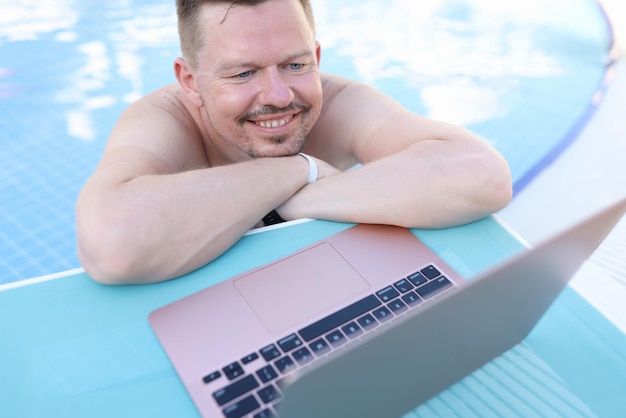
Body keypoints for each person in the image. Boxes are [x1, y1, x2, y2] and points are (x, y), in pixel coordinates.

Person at [75, 0, 512, 285]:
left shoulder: (341, 102)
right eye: (242, 73)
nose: (280, 96)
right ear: (190, 81)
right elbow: (111, 245)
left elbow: (482, 175)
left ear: (317, 58)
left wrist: (286, 204)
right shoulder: (165, 119)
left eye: (295, 64)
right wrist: (303, 169)